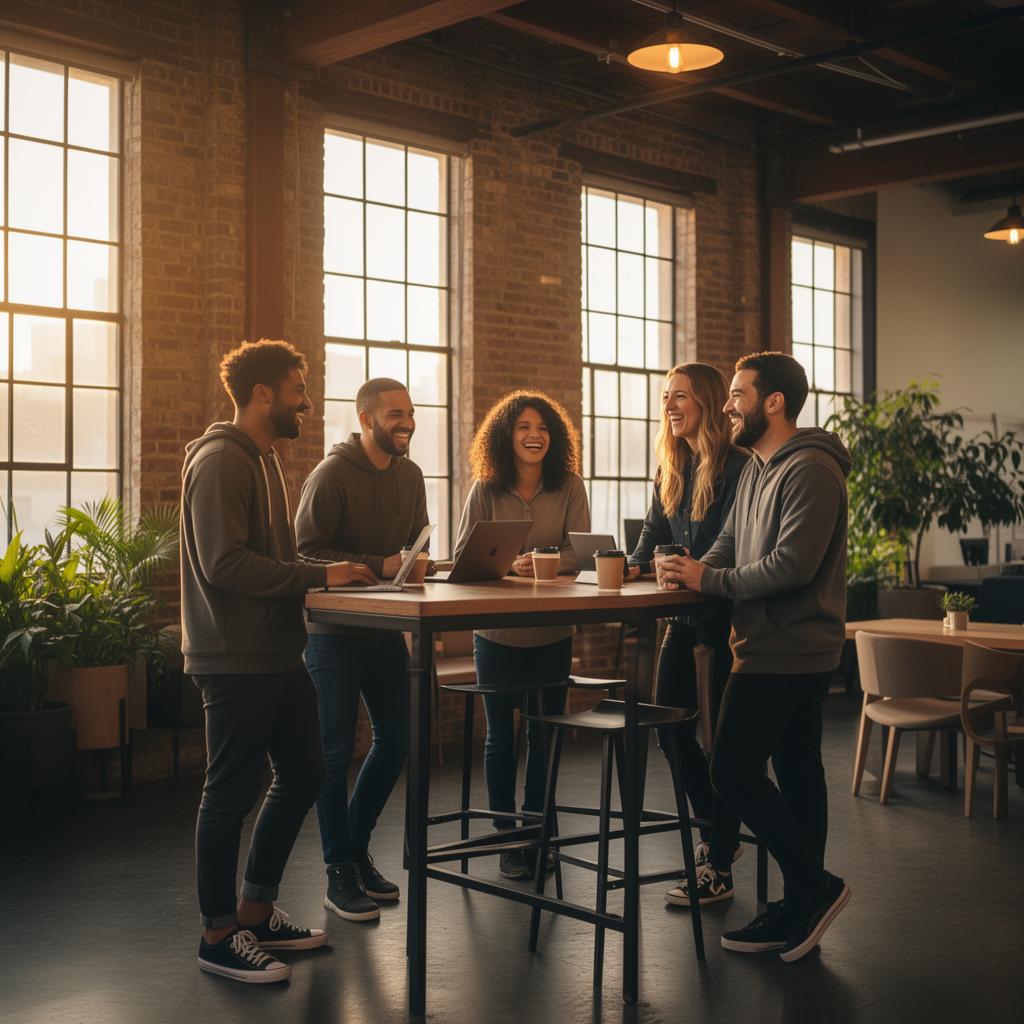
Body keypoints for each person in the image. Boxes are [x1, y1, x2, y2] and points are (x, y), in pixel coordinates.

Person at [181, 339, 377, 984]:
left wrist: (317, 575)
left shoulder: (263, 458)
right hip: (234, 654)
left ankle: (256, 910)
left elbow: (265, 556)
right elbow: (223, 562)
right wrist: (316, 576)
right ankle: (218, 934)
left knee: (307, 773)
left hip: (274, 650)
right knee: (228, 795)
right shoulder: (220, 461)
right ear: (263, 393)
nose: (307, 398)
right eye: (297, 387)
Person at [666, 351, 852, 963]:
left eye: (738, 394)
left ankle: (816, 887)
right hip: (766, 644)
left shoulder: (812, 469)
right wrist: (693, 570)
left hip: (792, 646)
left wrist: (709, 582)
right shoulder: (756, 467)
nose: (727, 405)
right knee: (798, 771)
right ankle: (803, 902)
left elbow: (792, 567)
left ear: (773, 401)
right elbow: (724, 544)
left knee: (731, 770)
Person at [296, 378, 426, 922]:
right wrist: (382, 563)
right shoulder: (330, 475)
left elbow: (415, 542)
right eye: (396, 414)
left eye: (410, 413)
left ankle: (354, 846)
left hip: (383, 627)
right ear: (365, 416)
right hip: (332, 633)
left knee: (397, 740)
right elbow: (305, 552)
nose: (407, 422)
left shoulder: (412, 475)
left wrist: (418, 561)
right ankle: (337, 871)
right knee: (332, 753)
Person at [625, 362, 747, 908]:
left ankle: (717, 863)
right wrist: (629, 564)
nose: (670, 406)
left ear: (707, 402)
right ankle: (714, 831)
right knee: (670, 731)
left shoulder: (740, 468)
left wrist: (689, 565)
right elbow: (654, 535)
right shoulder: (670, 468)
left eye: (681, 397)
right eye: (665, 397)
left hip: (726, 624)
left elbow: (732, 546)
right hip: (680, 621)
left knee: (723, 743)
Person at [453, 390, 590, 880]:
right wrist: (506, 564)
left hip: (552, 632)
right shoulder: (485, 489)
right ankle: (507, 839)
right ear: (505, 437)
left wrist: (547, 563)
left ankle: (538, 836)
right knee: (500, 740)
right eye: (524, 428)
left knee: (543, 735)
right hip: (497, 633)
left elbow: (582, 554)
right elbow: (466, 558)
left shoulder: (570, 485)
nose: (535, 436)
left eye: (543, 429)